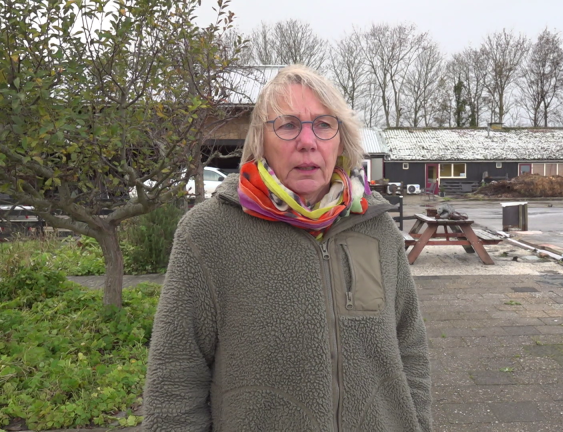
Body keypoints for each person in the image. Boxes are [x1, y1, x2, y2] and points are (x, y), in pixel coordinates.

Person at [142, 65, 432, 431]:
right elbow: (174, 380)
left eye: (324, 125)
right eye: (289, 125)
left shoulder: (378, 230)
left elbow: (410, 349)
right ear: (261, 141)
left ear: (341, 141)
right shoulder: (208, 234)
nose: (308, 141)